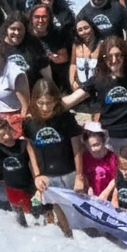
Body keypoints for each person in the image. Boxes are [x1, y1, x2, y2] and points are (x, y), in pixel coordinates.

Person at [72, 36, 127, 159]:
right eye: (108, 56)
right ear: (103, 58)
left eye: (118, 55)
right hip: (109, 139)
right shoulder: (98, 80)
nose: (114, 60)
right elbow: (72, 99)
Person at [23, 78, 84, 224]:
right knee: (57, 213)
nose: (45, 108)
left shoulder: (66, 118)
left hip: (69, 173)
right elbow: (30, 148)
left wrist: (80, 176)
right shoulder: (29, 122)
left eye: (49, 102)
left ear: (56, 100)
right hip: (47, 176)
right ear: (34, 102)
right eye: (41, 103)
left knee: (76, 214)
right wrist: (37, 175)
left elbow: (77, 148)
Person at [0, 37, 30, 138]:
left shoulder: (14, 73)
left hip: (14, 121)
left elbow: (26, 106)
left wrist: (22, 131)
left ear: (1, 48)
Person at [81, 121, 117, 197]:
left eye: (96, 145)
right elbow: (84, 174)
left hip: (109, 195)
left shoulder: (112, 157)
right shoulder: (85, 156)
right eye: (89, 145)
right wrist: (88, 187)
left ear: (103, 141)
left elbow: (116, 178)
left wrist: (106, 192)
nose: (93, 149)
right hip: (92, 196)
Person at [104, 143, 127, 212]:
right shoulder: (119, 176)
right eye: (122, 169)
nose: (124, 173)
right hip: (121, 212)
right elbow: (115, 197)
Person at [69, 16, 101, 91]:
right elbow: (73, 64)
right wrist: (72, 81)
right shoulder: (76, 46)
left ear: (92, 27)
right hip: (81, 88)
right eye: (80, 30)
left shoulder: (102, 45)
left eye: (86, 28)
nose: (84, 32)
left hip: (97, 87)